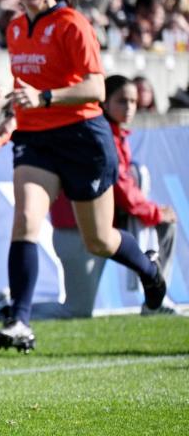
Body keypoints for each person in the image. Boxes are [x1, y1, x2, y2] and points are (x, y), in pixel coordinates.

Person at [0, 0, 166, 352]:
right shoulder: (15, 27)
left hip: (83, 138)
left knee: (99, 240)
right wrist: (14, 113)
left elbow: (96, 87)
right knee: (26, 220)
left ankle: (149, 271)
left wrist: (46, 97)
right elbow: (24, 84)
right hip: (36, 139)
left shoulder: (71, 24)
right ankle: (20, 321)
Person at [47, 75, 181, 317]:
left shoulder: (115, 133)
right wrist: (153, 211)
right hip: (77, 228)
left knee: (166, 225)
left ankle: (155, 301)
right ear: (104, 103)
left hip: (105, 227)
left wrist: (155, 214)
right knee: (76, 311)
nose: (130, 107)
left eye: (133, 101)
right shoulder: (100, 133)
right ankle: (8, 309)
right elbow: (120, 188)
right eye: (122, 101)